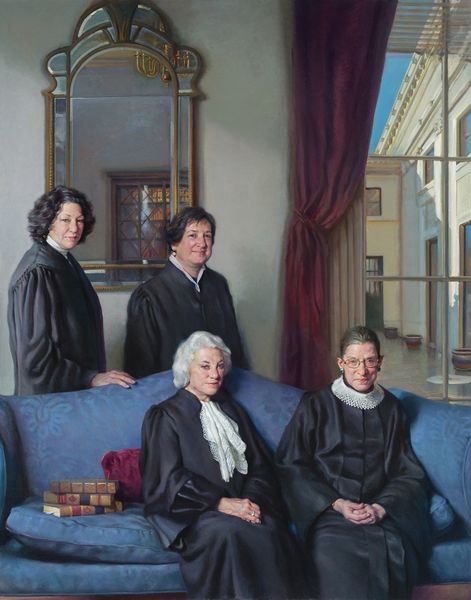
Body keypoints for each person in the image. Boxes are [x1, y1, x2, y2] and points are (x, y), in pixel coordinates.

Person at [140, 331, 306, 600]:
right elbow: (166, 480)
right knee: (230, 532)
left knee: (270, 529)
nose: (214, 374)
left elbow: (261, 467)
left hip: (241, 506)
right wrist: (220, 503)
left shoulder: (232, 410)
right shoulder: (164, 416)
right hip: (195, 514)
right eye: (205, 366)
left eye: (219, 366)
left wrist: (250, 502)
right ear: (187, 369)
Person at [275, 325, 431, 600]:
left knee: (393, 555)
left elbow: (408, 474)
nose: (362, 371)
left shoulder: (392, 409)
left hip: (379, 516)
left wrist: (381, 508)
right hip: (330, 515)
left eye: (370, 361)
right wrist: (336, 503)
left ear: (380, 362)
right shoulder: (316, 404)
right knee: (333, 557)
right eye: (353, 362)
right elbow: (291, 465)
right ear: (341, 363)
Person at [8, 186, 135, 395]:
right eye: (65, 220)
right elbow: (35, 359)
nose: (74, 228)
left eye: (80, 220)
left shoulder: (64, 260)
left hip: (72, 394)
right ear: (48, 221)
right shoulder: (37, 272)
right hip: (48, 400)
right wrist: (90, 377)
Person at [124, 206, 247, 379]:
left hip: (222, 387)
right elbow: (141, 371)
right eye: (193, 235)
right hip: (171, 392)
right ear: (174, 243)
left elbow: (235, 353)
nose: (202, 243)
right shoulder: (149, 296)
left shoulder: (219, 285)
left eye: (207, 236)